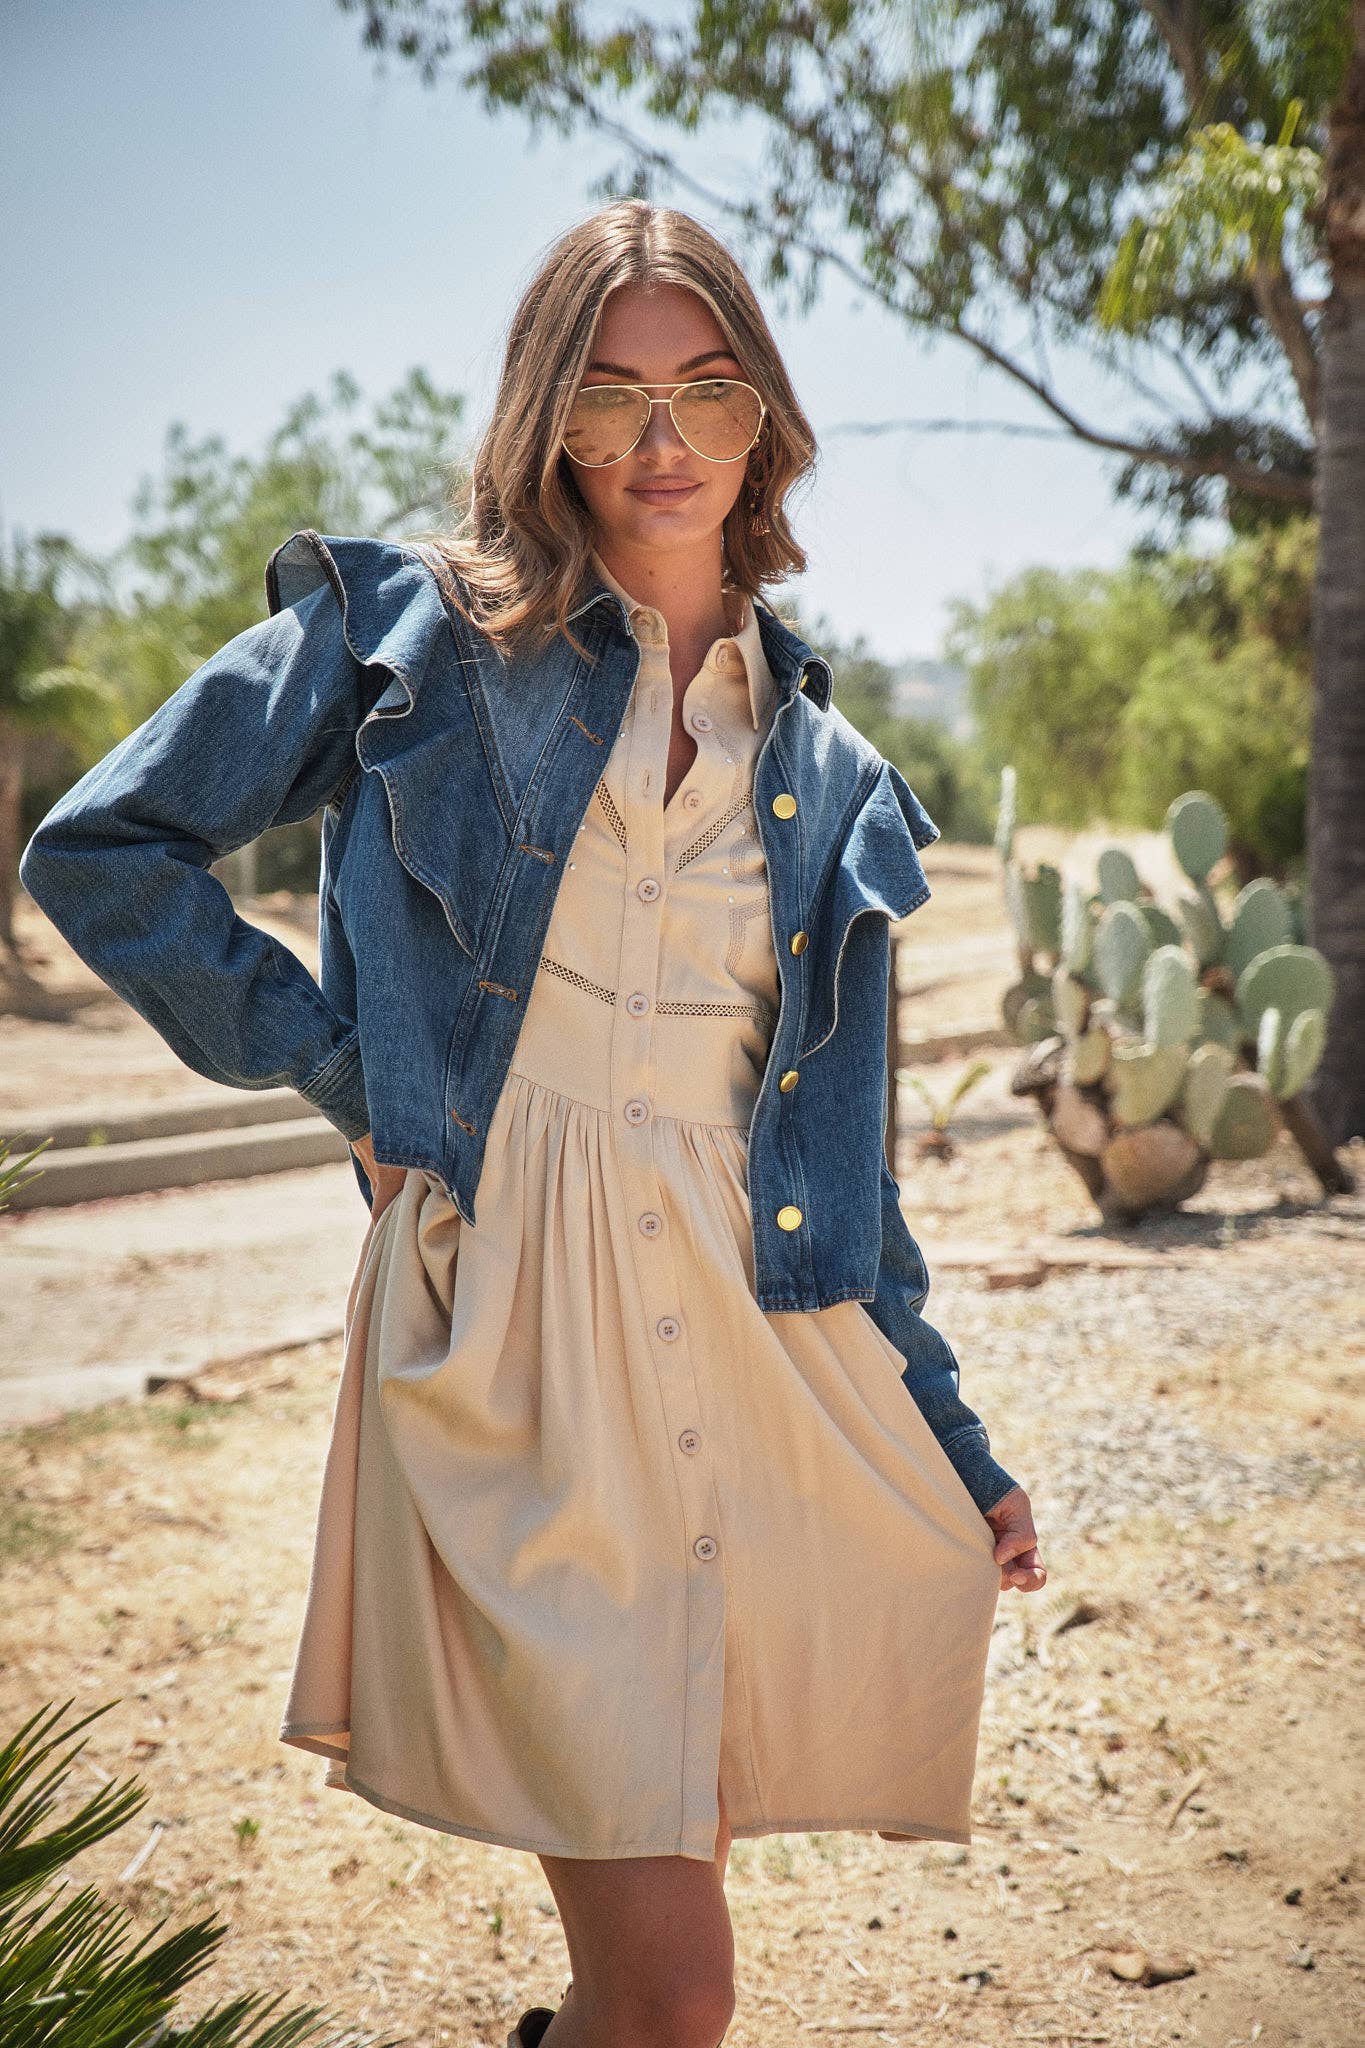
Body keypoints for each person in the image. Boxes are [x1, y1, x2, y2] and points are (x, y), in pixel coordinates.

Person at [19, 198, 1046, 2048]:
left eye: (705, 392)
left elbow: (839, 1169)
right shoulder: (411, 635)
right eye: (605, 396)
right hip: (520, 1336)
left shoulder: (830, 771)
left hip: (755, 1337)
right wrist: (348, 1074)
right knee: (675, 1989)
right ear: (541, 417)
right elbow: (106, 850)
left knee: (652, 1969)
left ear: (764, 419)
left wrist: (951, 1437)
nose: (660, 442)